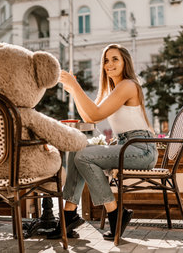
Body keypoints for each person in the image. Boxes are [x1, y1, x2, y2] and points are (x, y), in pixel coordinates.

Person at [48, 44, 158, 240]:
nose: (109, 64)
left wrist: (75, 85)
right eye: (106, 60)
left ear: (125, 62)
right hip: (125, 146)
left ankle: (115, 213)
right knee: (77, 148)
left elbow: (95, 114)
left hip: (141, 148)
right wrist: (73, 91)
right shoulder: (114, 90)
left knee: (83, 157)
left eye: (115, 59)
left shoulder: (128, 85)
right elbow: (90, 119)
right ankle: (69, 214)